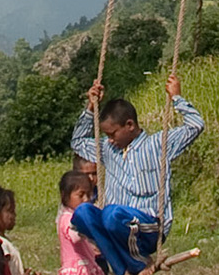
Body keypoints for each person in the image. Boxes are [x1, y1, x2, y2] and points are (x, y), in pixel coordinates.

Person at [70, 73, 206, 230]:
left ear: (130, 125)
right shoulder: (108, 150)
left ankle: (119, 249)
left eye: (112, 134)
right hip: (115, 224)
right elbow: (78, 142)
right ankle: (111, 251)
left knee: (113, 214)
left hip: (146, 225)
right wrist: (91, 108)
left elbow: (196, 125)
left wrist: (177, 98)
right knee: (83, 212)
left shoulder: (157, 145)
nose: (110, 140)